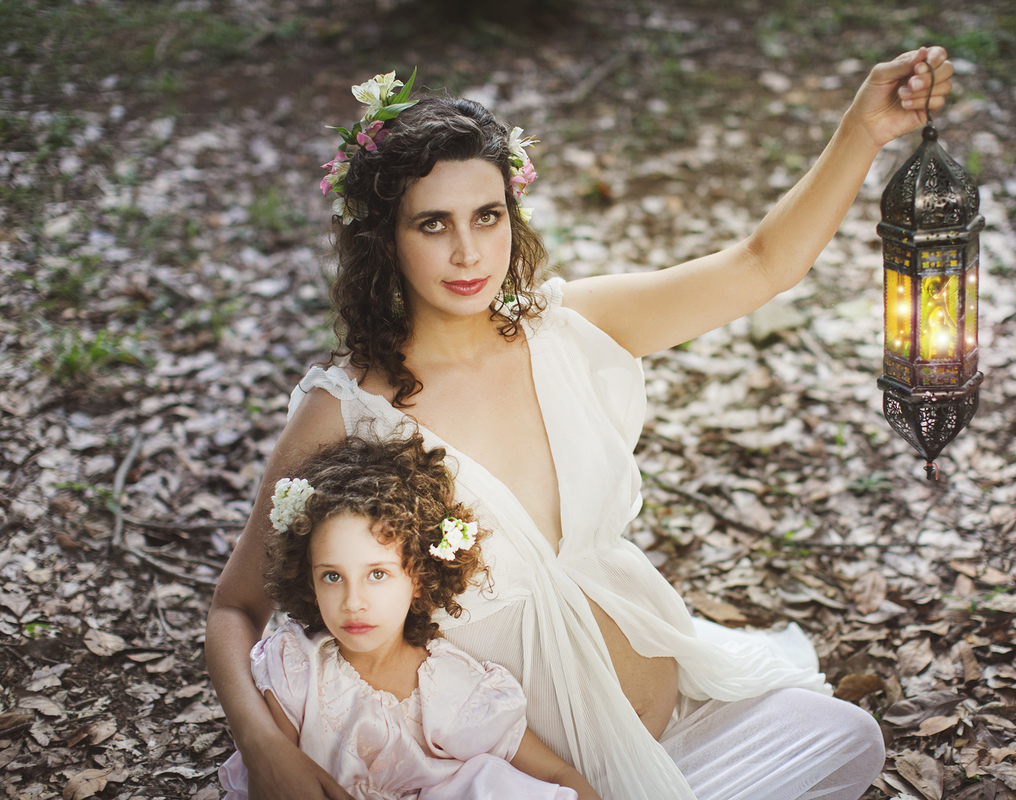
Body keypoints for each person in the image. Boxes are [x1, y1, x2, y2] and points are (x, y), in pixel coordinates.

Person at [207, 47, 955, 800]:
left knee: (843, 738)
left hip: (674, 733)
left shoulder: (568, 329)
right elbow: (235, 609)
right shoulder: (346, 410)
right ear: (385, 241)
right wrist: (266, 747)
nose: (469, 252)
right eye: (433, 224)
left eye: (487, 216)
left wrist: (863, 129)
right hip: (525, 776)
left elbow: (761, 263)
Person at [217, 434, 599, 800]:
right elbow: (273, 785)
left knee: (486, 781)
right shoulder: (299, 667)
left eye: (378, 574)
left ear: (419, 578)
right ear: (309, 579)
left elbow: (556, 777)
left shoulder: (452, 690)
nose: (353, 602)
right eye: (332, 576)